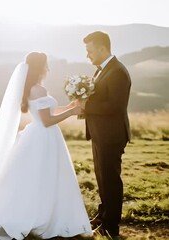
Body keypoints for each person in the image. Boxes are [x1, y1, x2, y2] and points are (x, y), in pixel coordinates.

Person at [0, 52, 92, 239]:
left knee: (41, 175)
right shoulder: (37, 90)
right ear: (40, 67)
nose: (48, 69)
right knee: (42, 175)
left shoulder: (35, 88)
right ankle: (40, 214)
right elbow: (47, 120)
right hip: (43, 136)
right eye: (46, 65)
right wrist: (73, 112)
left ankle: (46, 211)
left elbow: (48, 111)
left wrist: (68, 107)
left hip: (42, 136)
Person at [79, 31, 131, 238]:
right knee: (102, 178)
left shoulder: (117, 71)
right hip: (100, 134)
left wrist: (87, 105)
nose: (88, 55)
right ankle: (103, 215)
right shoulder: (102, 70)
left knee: (110, 180)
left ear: (102, 48)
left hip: (111, 135)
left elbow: (114, 106)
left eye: (90, 51)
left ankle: (111, 227)